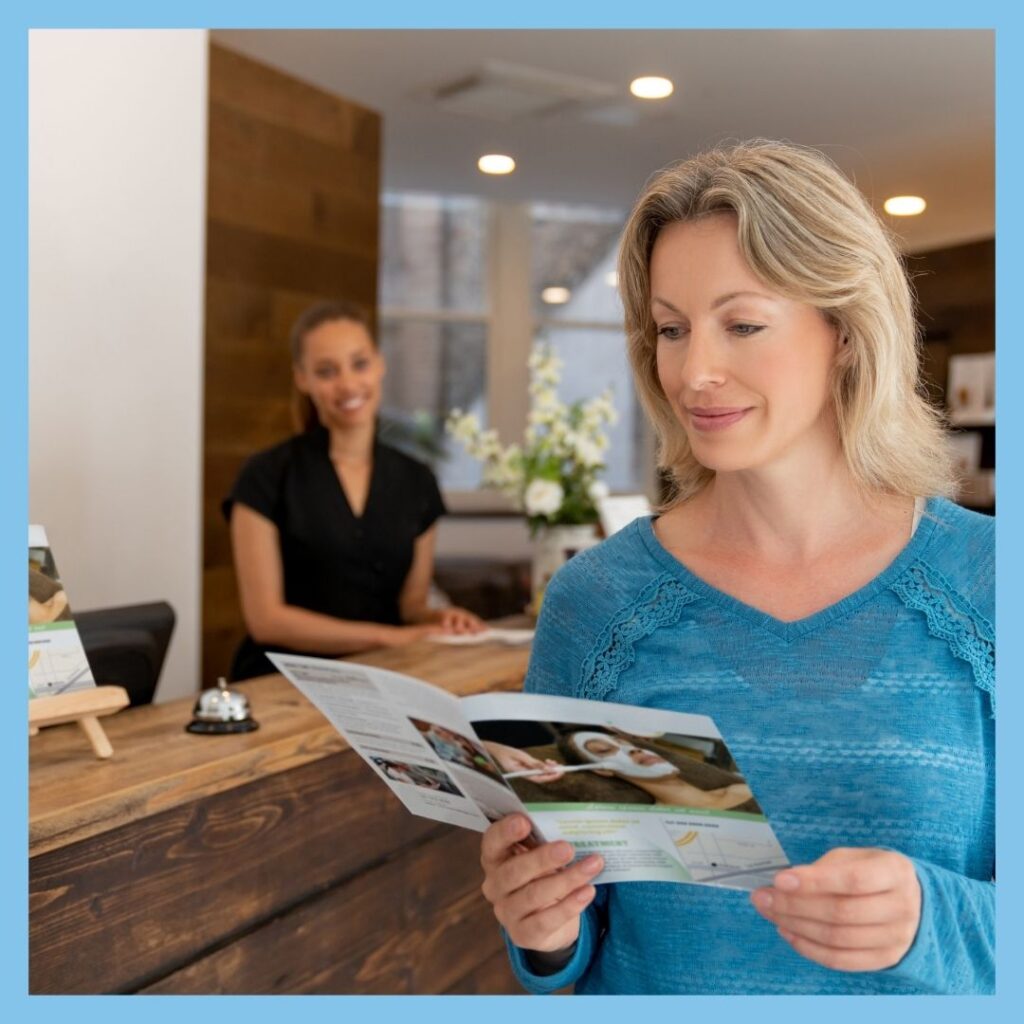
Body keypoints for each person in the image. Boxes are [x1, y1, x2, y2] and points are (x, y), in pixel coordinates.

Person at [479, 140, 994, 994]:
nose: (693, 371)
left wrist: (930, 919)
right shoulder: (596, 603)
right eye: (672, 329)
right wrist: (542, 930)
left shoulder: (989, 585)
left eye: (742, 323)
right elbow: (573, 940)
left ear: (845, 330)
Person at [224, 300, 484, 680]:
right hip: (280, 683)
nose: (347, 384)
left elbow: (410, 605)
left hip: (385, 680)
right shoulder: (264, 477)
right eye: (326, 371)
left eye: (359, 364)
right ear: (302, 378)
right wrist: (393, 639)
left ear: (379, 364)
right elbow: (267, 621)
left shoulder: (417, 480)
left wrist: (439, 618)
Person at [561, 731, 753, 810]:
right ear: (603, 771)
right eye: (605, 750)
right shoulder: (660, 823)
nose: (633, 749)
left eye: (623, 742)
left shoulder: (741, 787)